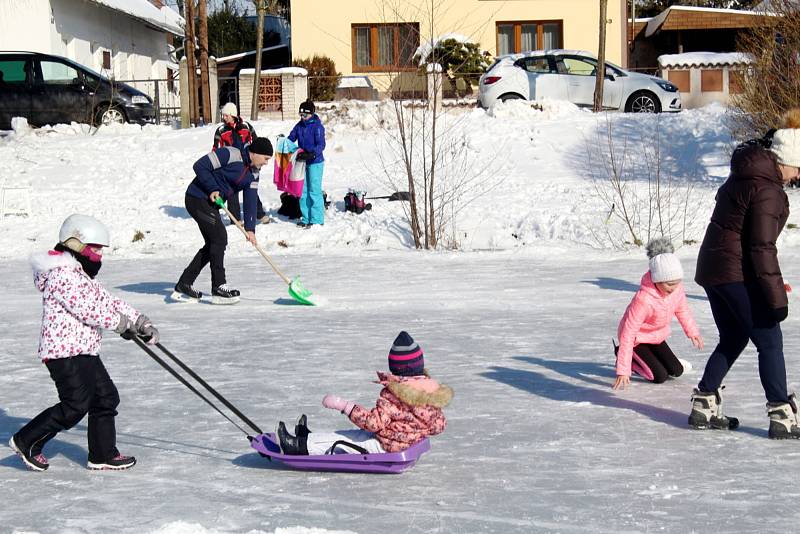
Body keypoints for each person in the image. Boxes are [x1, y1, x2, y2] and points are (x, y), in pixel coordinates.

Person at [9, 214, 160, 471]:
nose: (99, 255)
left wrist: (138, 320)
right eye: (95, 249)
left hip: (84, 350)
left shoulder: (81, 274)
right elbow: (87, 309)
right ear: (76, 245)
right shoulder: (61, 275)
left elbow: (107, 301)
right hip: (63, 353)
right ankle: (27, 440)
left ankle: (101, 454)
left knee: (105, 398)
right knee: (75, 404)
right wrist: (119, 324)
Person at [689, 114, 800, 438]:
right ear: (787, 160)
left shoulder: (745, 174)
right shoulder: (768, 190)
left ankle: (704, 402)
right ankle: (781, 413)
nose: (797, 176)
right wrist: (775, 298)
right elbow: (761, 247)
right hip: (733, 270)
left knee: (735, 336)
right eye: (797, 168)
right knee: (769, 338)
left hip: (713, 269)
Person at [276, 331, 453, 455]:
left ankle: (297, 446)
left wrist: (345, 406)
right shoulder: (430, 393)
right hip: (399, 444)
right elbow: (438, 426)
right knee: (349, 435)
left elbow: (373, 423)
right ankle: (308, 439)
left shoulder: (395, 395)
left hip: (385, 446)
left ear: (395, 368)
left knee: (350, 441)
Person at [173, 137, 273, 304]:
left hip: (211, 204)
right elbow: (199, 166)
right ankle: (218, 287)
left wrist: (250, 230)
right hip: (197, 198)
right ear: (255, 153)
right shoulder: (230, 153)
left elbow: (250, 200)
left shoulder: (254, 172)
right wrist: (213, 188)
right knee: (220, 238)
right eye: (266, 159)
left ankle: (184, 283)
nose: (266, 163)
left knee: (213, 243)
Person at [613, 238, 703, 390]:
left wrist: (692, 331)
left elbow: (682, 310)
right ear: (657, 280)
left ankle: (646, 359)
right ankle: (628, 358)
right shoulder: (644, 299)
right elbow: (628, 333)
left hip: (656, 337)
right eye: (669, 284)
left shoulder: (677, 290)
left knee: (676, 371)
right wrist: (623, 370)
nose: (673, 288)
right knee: (659, 376)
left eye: (677, 283)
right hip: (636, 340)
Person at [213, 102, 269, 225]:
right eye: (224, 115)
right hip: (231, 164)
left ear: (233, 114)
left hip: (248, 162)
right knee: (232, 190)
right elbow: (216, 148)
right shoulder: (221, 130)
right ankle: (236, 219)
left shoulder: (246, 126)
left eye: (226, 115)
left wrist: (258, 158)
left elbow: (256, 142)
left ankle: (260, 214)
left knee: (251, 188)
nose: (224, 117)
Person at [288, 100, 326, 228]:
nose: (302, 118)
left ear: (311, 114)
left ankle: (316, 219)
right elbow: (291, 138)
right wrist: (284, 141)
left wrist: (313, 153)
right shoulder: (299, 125)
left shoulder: (317, 126)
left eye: (305, 115)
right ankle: (306, 218)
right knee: (302, 191)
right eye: (301, 115)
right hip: (302, 161)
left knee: (314, 190)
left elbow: (321, 144)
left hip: (315, 162)